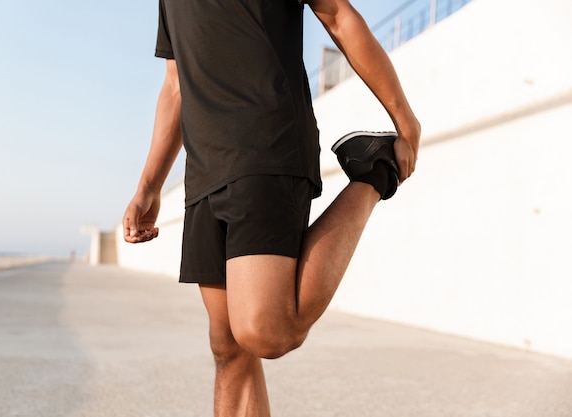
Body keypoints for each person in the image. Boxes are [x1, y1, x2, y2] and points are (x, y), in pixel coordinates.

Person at [123, 0, 420, 415]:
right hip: (205, 167)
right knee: (228, 346)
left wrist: (404, 119)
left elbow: (337, 14)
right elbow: (175, 83)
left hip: (266, 141)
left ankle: (376, 171)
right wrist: (148, 186)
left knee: (267, 331)